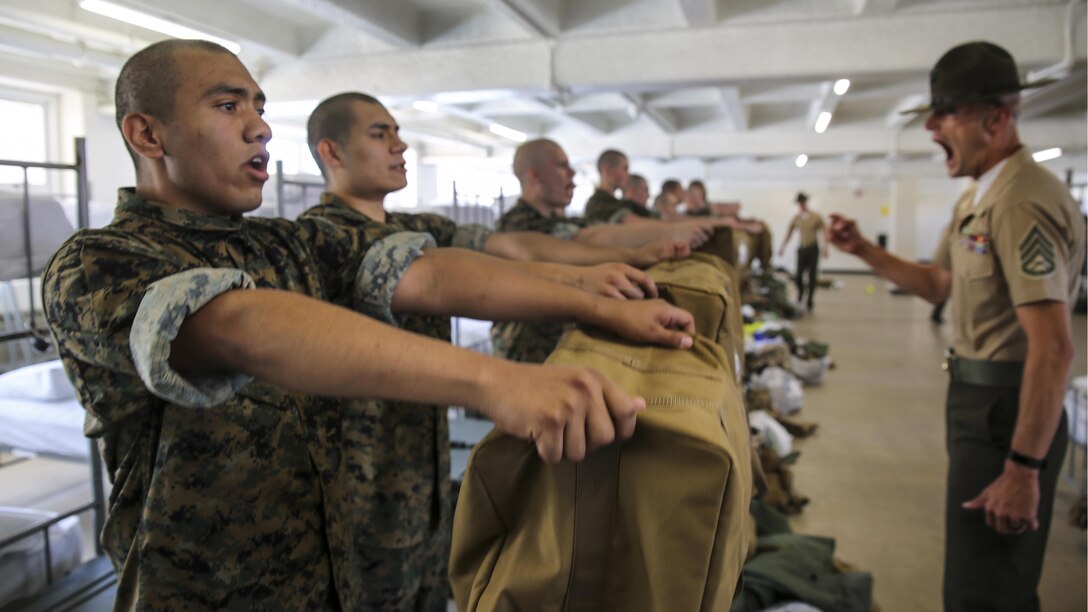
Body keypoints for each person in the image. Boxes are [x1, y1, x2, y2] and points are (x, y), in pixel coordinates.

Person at [43, 40, 695, 610]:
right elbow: (240, 323)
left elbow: (431, 274)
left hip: (347, 575)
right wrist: (495, 382)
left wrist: (599, 301)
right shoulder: (97, 263)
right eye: (227, 106)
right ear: (148, 135)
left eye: (261, 108)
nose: (259, 129)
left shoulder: (288, 245)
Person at [298, 92, 691, 610]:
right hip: (361, 481)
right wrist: (595, 300)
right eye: (379, 134)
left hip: (425, 465)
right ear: (332, 151)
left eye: (397, 131)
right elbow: (439, 280)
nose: (400, 145)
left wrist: (604, 268)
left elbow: (513, 250)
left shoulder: (419, 228)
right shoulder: (318, 236)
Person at [826, 41, 1084, 611]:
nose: (932, 128)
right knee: (985, 580)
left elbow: (1055, 349)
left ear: (996, 119)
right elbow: (940, 284)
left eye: (947, 114)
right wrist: (864, 250)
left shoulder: (1020, 203)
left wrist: (1023, 469)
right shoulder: (978, 197)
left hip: (1008, 409)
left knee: (985, 593)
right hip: (977, 401)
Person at [492, 139, 719, 363]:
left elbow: (595, 233)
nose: (571, 173)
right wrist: (665, 236)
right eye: (562, 165)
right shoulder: (517, 224)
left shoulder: (556, 220)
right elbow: (590, 239)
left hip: (556, 341)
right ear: (534, 175)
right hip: (528, 352)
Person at [778, 192, 827, 312]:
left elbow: (824, 232)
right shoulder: (796, 218)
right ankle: (800, 294)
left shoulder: (816, 217)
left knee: (812, 276)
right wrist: (782, 247)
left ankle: (810, 299)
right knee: (798, 275)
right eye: (799, 203)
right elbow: (789, 233)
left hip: (813, 249)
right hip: (802, 249)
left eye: (803, 203)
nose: (801, 205)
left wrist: (826, 248)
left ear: (806, 203)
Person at [584, 149, 656, 223]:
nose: (628, 175)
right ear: (607, 170)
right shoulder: (597, 204)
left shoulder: (614, 203)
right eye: (625, 169)